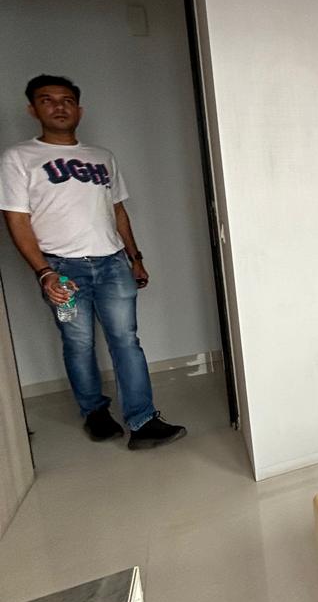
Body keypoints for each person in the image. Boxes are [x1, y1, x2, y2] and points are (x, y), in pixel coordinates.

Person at [0, 74, 186, 450]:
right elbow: (16, 220)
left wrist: (135, 258)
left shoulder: (102, 157)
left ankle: (143, 420)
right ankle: (95, 413)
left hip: (113, 264)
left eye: (67, 100)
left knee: (127, 341)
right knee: (78, 342)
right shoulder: (18, 158)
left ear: (79, 110)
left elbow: (117, 211)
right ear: (33, 109)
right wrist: (44, 273)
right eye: (48, 100)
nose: (59, 106)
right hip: (62, 269)